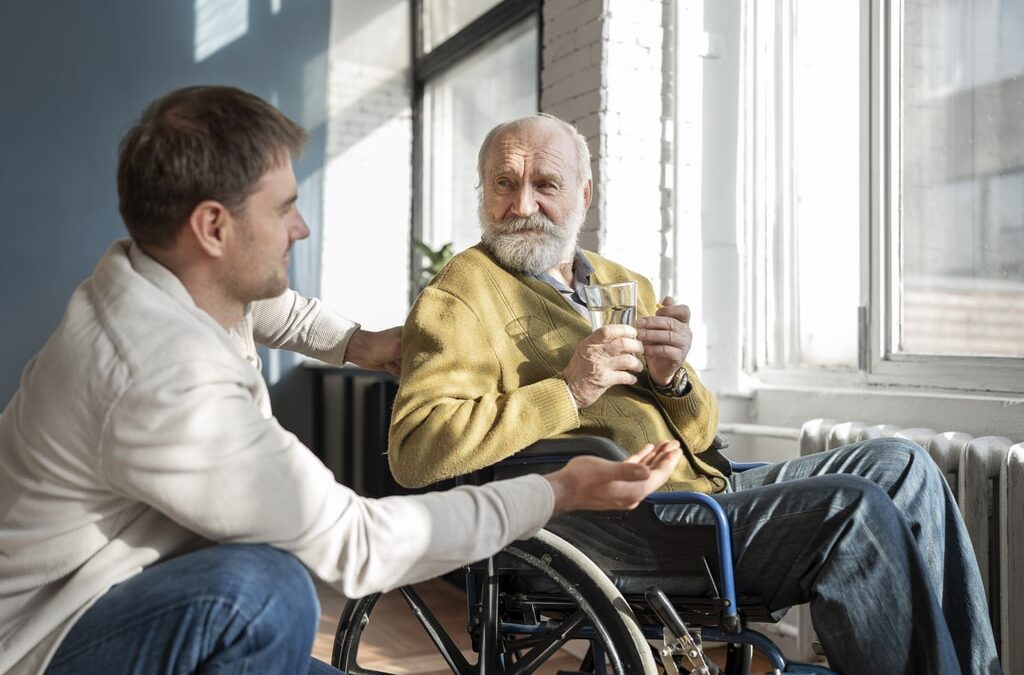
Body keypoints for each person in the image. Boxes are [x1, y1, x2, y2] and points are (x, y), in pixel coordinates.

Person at [0, 87, 684, 675]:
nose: (301, 226)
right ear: (212, 227)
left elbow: (277, 307)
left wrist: (358, 343)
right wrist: (557, 489)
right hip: (50, 641)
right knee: (267, 591)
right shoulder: (163, 377)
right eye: (283, 208)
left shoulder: (154, 274)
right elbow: (359, 545)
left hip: (131, 596)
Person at [387, 112, 1002, 674]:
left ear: (584, 195)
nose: (522, 204)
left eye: (545, 184)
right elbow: (415, 452)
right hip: (613, 522)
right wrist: (572, 389)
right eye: (503, 184)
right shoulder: (462, 292)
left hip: (700, 492)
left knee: (904, 466)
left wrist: (671, 377)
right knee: (853, 508)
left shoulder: (622, 281)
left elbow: (704, 437)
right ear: (483, 193)